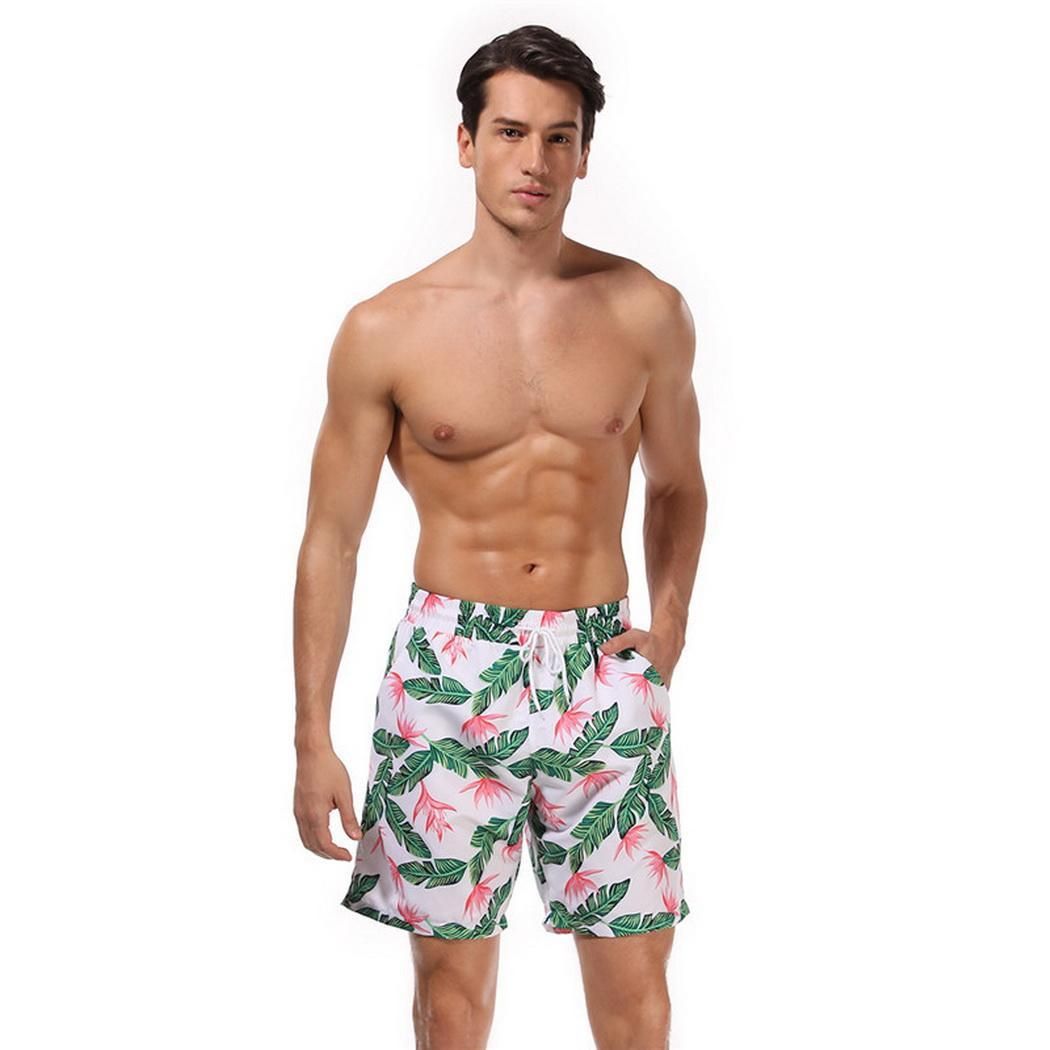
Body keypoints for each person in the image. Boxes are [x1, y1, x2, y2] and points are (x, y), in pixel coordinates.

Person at [293, 23, 707, 1050]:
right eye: (512, 132)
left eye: (560, 137)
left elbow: (677, 485)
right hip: (449, 668)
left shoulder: (646, 311)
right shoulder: (386, 328)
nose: (536, 161)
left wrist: (669, 626)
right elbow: (331, 539)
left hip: (601, 665)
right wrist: (311, 738)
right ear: (467, 142)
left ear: (585, 154)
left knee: (638, 993)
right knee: (450, 1000)